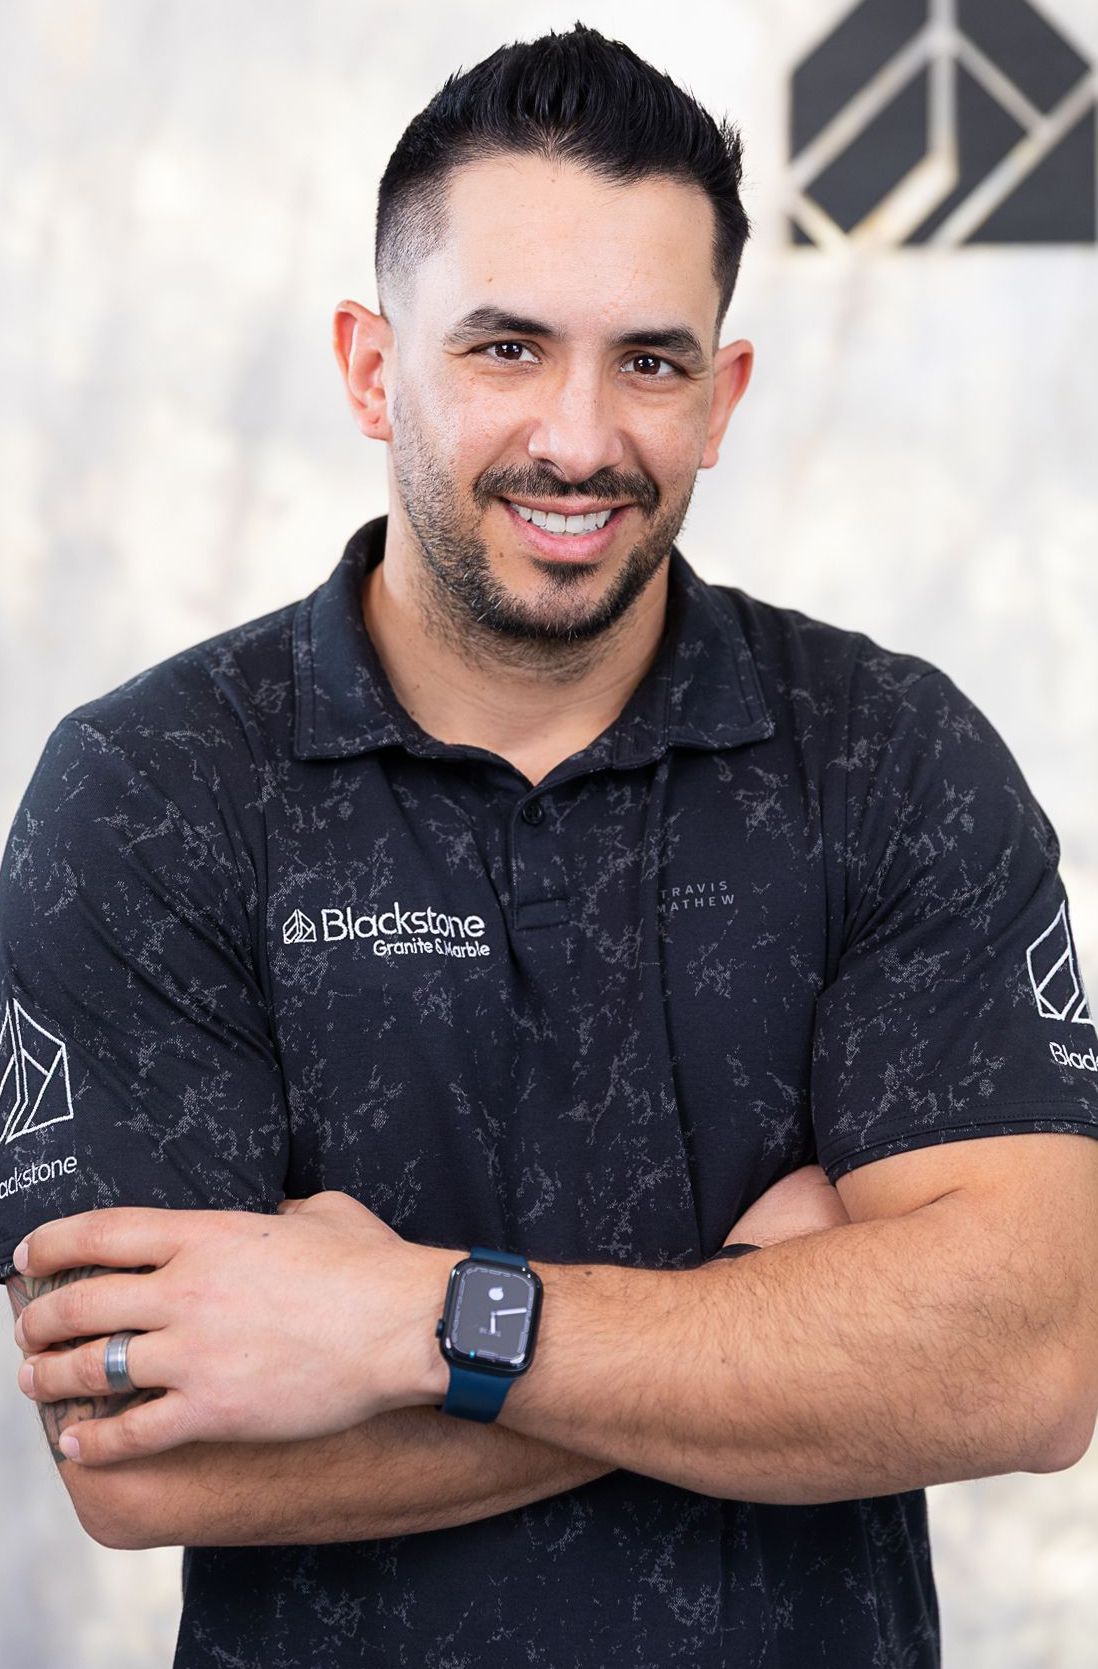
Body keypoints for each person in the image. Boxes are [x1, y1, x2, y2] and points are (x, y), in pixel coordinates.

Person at [3, 21, 1098, 1669]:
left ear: (721, 396)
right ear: (374, 366)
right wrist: (761, 1306)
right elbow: (146, 1449)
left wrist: (408, 1321)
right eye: (504, 349)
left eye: (648, 361)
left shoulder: (888, 756)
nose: (579, 439)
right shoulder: (155, 787)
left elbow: (1028, 1359)